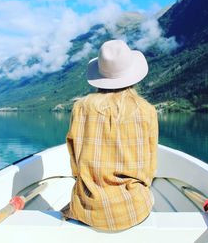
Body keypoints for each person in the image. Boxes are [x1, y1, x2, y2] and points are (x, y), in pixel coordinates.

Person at [63, 39, 158, 231]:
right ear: (132, 74)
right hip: (134, 209)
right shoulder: (146, 110)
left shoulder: (80, 107)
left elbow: (75, 164)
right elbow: (149, 168)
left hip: (88, 209)